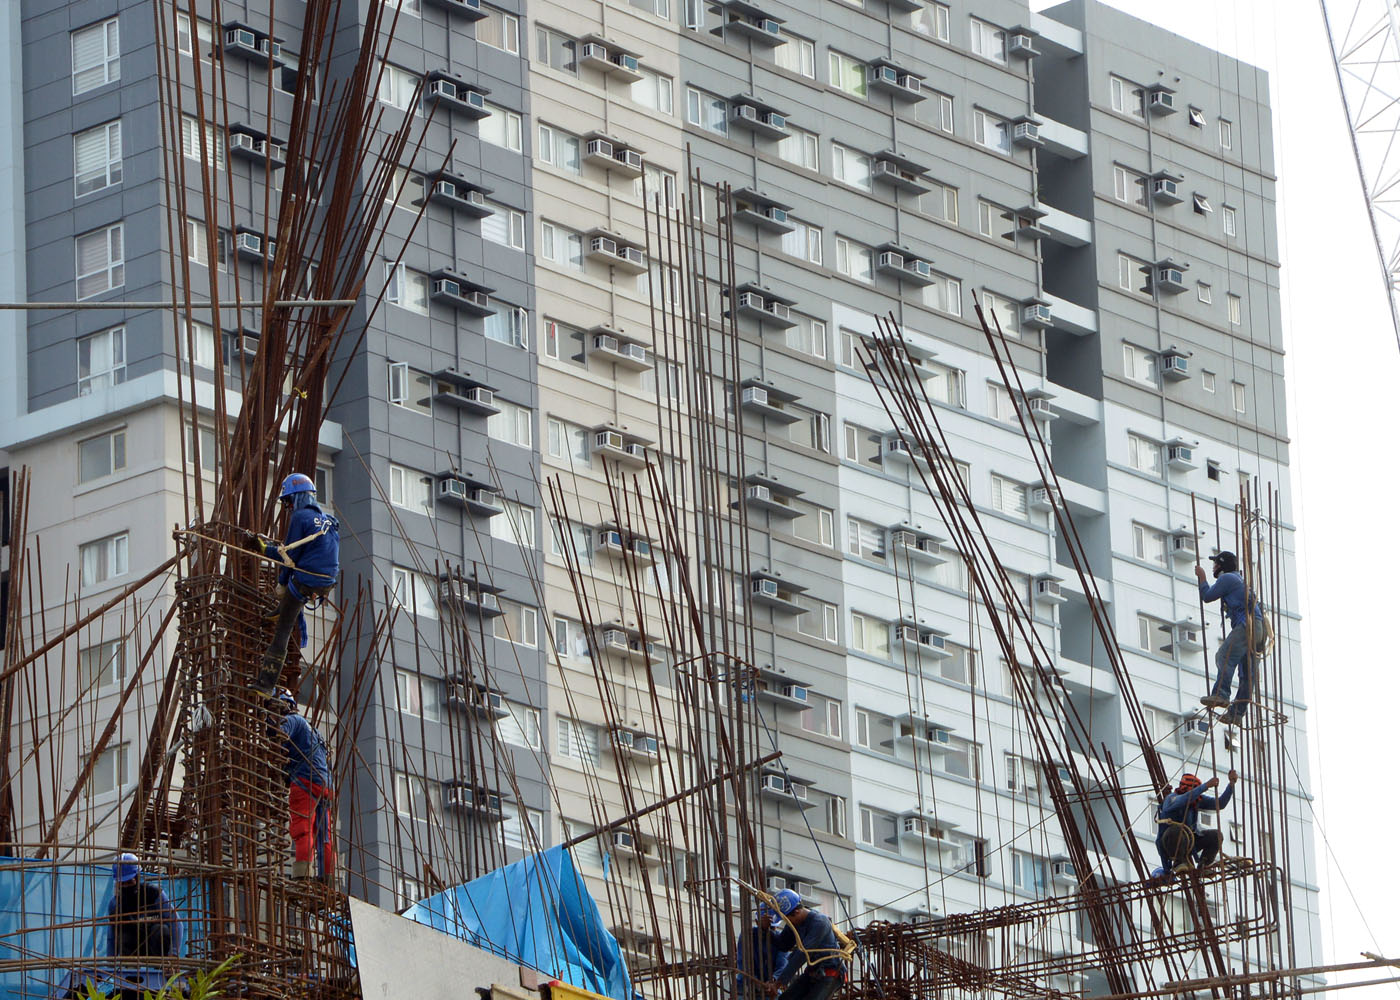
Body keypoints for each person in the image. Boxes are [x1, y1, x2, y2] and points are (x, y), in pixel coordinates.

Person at [248, 473, 340, 695]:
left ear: (298, 498)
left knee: (283, 631)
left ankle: (265, 685)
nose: (288, 507)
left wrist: (262, 549)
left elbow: (287, 557)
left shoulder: (300, 518)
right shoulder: (328, 521)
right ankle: (281, 609)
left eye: (288, 501)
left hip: (307, 579)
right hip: (326, 581)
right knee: (290, 602)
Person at [270, 688, 335, 882]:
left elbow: (278, 736)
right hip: (325, 785)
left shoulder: (292, 721)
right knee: (324, 835)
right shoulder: (314, 731)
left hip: (305, 782)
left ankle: (301, 876)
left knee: (302, 829)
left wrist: (268, 723)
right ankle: (327, 879)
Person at [1196, 550, 1263, 726]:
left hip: (1247, 625)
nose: (1214, 567)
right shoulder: (1239, 581)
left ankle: (1221, 693)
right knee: (1247, 674)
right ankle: (1237, 713)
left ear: (1222, 566)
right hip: (1259, 629)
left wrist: (1202, 578)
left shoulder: (1227, 579)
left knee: (1224, 656)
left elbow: (1208, 596)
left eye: (1216, 564)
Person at [769, 889, 847, 1000]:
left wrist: (778, 983)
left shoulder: (819, 923)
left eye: (788, 919)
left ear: (797, 912)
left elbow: (801, 954)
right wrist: (766, 930)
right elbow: (783, 944)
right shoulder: (795, 922)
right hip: (813, 973)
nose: (787, 923)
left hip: (831, 973)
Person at [1155, 770, 1237, 873]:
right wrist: (1205, 786)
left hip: (1189, 842)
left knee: (1216, 835)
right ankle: (1179, 862)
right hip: (1169, 842)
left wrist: (1231, 784)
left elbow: (1220, 804)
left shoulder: (1196, 800)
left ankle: (1204, 865)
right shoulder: (1171, 799)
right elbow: (1184, 799)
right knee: (1176, 830)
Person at [105, 853, 182, 960]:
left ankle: (157, 967)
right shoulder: (115, 904)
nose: (126, 886)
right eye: (122, 883)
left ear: (137, 877)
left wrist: (173, 954)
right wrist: (110, 962)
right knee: (124, 934)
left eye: (129, 882)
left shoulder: (154, 894)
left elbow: (176, 923)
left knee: (160, 930)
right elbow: (112, 937)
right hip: (131, 951)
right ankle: (129, 968)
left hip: (155, 949)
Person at [736, 902, 790, 997]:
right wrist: (758, 983)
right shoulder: (748, 935)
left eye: (772, 927)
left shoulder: (780, 938)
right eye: (764, 927)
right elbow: (744, 964)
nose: (769, 931)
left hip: (770, 985)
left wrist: (773, 981)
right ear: (757, 922)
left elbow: (783, 964)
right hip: (747, 983)